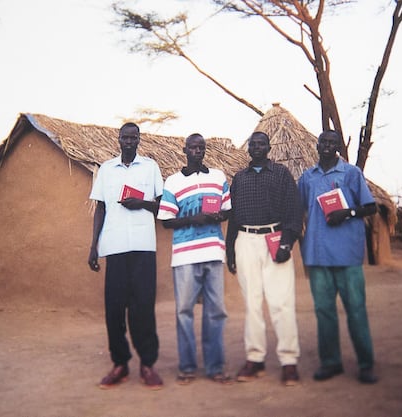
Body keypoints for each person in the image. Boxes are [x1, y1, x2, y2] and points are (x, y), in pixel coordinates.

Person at [297, 129, 378, 384]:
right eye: (324, 142)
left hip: (347, 253)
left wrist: (348, 214)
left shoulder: (351, 173)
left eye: (333, 143)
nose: (328, 146)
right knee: (324, 311)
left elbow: (371, 206)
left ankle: (366, 364)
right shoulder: (307, 178)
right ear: (317, 145)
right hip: (318, 253)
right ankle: (330, 362)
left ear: (339, 147)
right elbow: (298, 210)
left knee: (355, 309)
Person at [87, 122, 164, 390]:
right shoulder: (106, 170)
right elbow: (100, 209)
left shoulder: (151, 167)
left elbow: (162, 207)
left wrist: (140, 203)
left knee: (143, 307)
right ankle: (119, 363)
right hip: (115, 245)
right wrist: (93, 246)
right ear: (118, 139)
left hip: (143, 246)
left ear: (139, 140)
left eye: (134, 137)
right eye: (125, 137)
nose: (129, 141)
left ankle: (147, 364)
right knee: (114, 308)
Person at [226, 131, 303, 387]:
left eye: (261, 144)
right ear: (248, 148)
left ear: (269, 147)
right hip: (246, 242)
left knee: (281, 302)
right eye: (253, 144)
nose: (257, 147)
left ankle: (289, 361)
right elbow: (234, 218)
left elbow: (294, 211)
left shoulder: (281, 174)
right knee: (252, 303)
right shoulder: (239, 179)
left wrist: (286, 242)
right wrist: (230, 252)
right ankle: (255, 358)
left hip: (275, 238)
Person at [157, 133, 233, 386]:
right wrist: (194, 219)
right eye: (193, 147)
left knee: (216, 311)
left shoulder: (218, 177)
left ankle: (215, 366)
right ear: (185, 150)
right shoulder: (173, 182)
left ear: (205, 150)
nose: (197, 151)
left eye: (201, 147)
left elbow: (227, 210)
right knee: (184, 311)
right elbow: (166, 221)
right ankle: (187, 366)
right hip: (185, 254)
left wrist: (218, 218)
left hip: (213, 251)